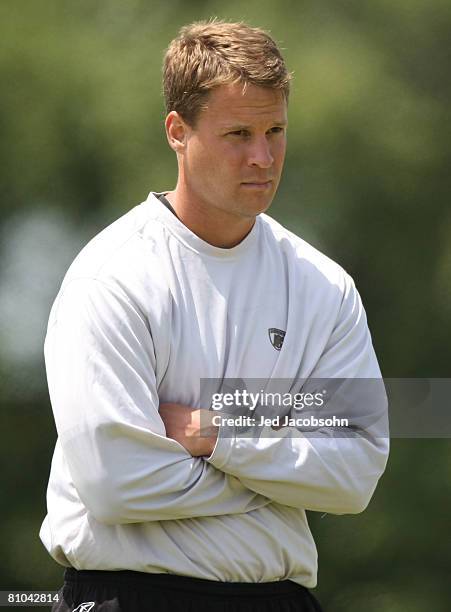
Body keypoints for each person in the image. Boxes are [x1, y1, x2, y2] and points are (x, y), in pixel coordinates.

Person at [41, 19, 389, 612]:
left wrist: (218, 437)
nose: (263, 156)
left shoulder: (325, 286)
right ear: (178, 131)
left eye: (275, 130)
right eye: (238, 133)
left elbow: (355, 473)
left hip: (282, 600)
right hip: (130, 596)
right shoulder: (112, 277)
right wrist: (278, 483)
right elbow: (116, 485)